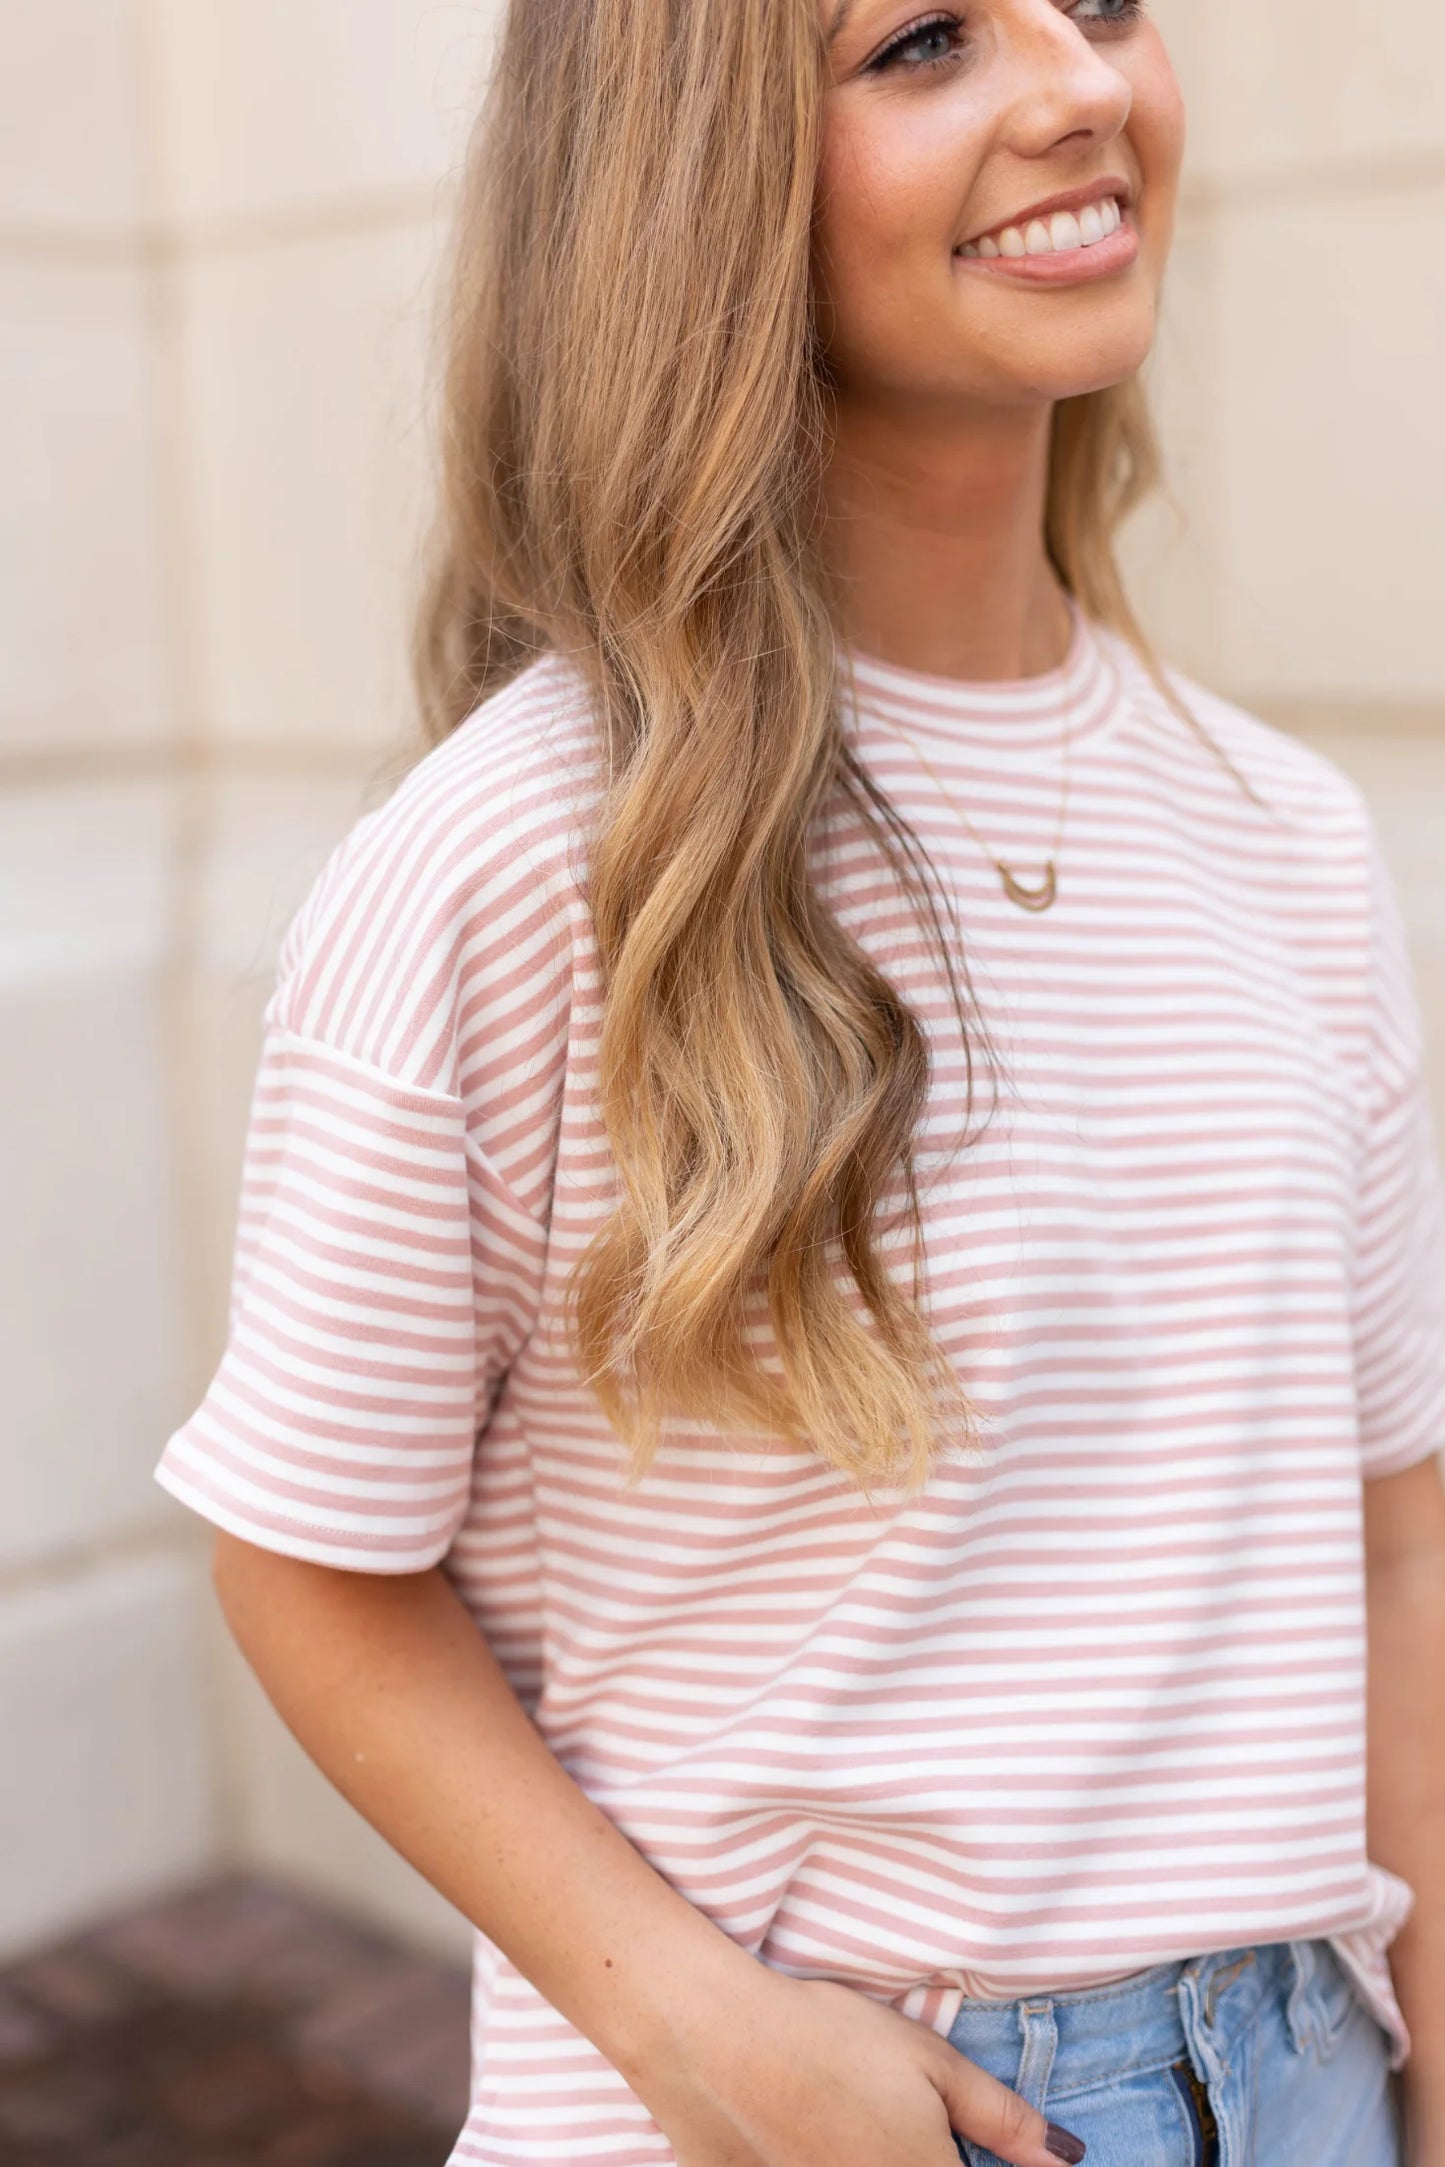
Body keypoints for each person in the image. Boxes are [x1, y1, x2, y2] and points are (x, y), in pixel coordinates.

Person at [151, 2, 1445, 2162]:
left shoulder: (1293, 841)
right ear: (699, 184)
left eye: (1106, 1)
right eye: (924, 41)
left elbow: (1397, 1544)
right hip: (813, 2102)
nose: (1079, 86)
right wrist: (695, 2030)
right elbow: (307, 1564)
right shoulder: (508, 861)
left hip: (1313, 2070)